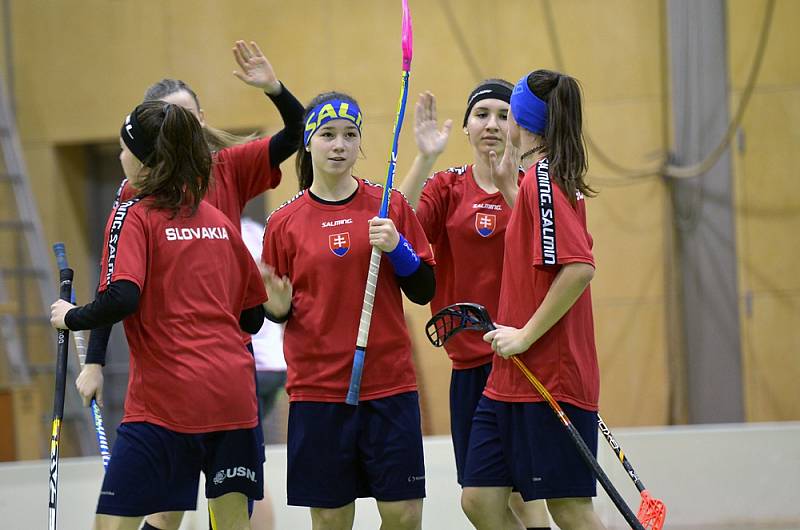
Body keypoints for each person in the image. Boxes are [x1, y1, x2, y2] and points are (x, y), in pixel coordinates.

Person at [75, 40, 303, 530]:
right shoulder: (151, 204)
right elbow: (115, 285)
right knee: (170, 511)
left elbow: (118, 294)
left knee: (219, 510)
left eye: (189, 120)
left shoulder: (212, 174)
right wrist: (94, 361)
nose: (183, 131)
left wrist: (274, 89)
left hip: (193, 385)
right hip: (209, 378)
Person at [50, 100, 268, 530]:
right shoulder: (218, 220)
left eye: (124, 149)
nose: (120, 157)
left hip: (168, 404)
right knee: (230, 524)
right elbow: (253, 318)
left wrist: (71, 317)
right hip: (235, 397)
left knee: (113, 525)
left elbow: (123, 296)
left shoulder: (133, 214)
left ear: (146, 160)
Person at [260, 91, 435, 530]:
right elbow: (276, 308)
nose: (339, 145)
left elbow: (423, 289)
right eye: (328, 135)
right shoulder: (284, 223)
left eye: (350, 135)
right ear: (308, 142)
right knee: (332, 519)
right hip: (319, 391)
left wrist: (399, 249)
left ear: (360, 144)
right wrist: (277, 309)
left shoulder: (388, 207)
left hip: (389, 385)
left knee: (404, 515)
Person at [398, 81, 551, 530]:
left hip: (521, 360)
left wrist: (509, 189)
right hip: (466, 367)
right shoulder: (447, 188)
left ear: (519, 127)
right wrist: (424, 158)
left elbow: (553, 252)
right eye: (481, 113)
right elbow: (397, 222)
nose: (492, 124)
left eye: (504, 115)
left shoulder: (533, 188)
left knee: (525, 497)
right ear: (465, 126)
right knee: (480, 502)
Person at [458, 69, 604, 530]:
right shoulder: (535, 181)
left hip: (548, 376)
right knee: (480, 499)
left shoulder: (544, 179)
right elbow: (542, 245)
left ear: (520, 118)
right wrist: (508, 187)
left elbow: (578, 266)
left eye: (506, 113)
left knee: (569, 509)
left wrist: (524, 334)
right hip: (510, 380)